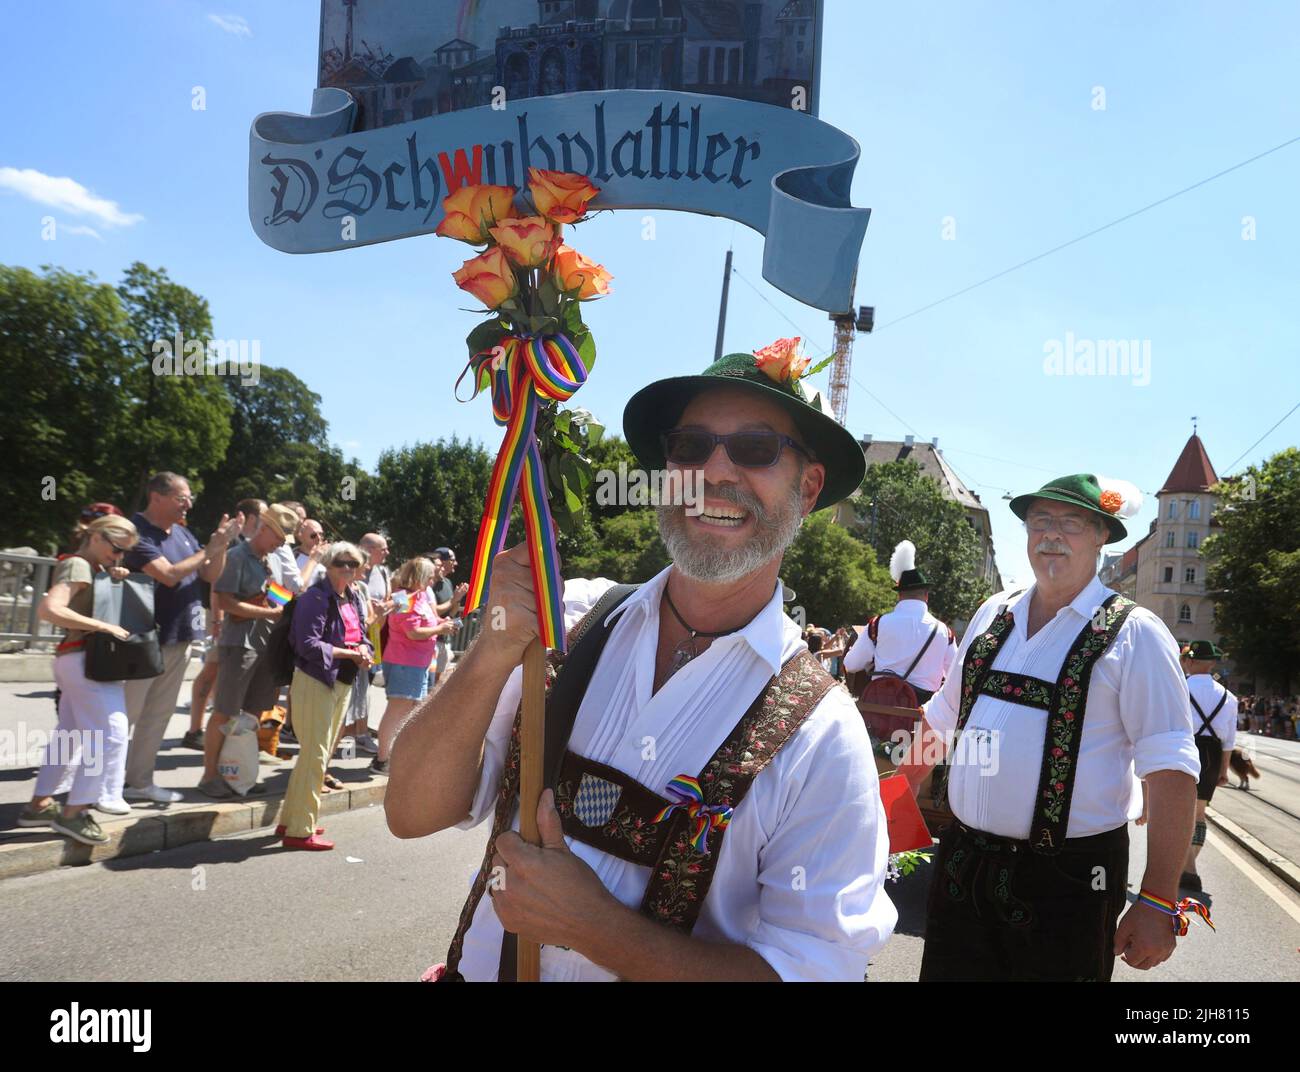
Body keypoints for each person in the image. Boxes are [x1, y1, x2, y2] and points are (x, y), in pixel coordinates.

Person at [388, 345, 897, 981]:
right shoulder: (564, 622)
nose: (715, 472)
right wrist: (492, 649)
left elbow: (809, 972)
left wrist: (595, 928)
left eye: (756, 448)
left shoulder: (825, 735)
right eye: (689, 447)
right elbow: (410, 812)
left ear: (809, 485)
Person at [899, 473, 1201, 981]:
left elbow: (1171, 769)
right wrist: (886, 815)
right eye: (1040, 521)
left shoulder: (1135, 633)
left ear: (1102, 535)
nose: (1051, 534)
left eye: (1071, 523)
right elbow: (940, 722)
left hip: (1070, 882)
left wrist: (1157, 899)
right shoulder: (994, 613)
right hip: (961, 865)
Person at [21, 515, 140, 844]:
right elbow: (49, 609)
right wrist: (104, 627)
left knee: (69, 737)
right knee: (111, 734)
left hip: (75, 659)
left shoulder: (90, 567)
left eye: (124, 553)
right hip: (85, 661)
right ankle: (75, 813)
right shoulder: (77, 565)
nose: (119, 557)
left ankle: (39, 805)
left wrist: (111, 579)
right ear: (97, 537)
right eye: (116, 548)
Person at [123, 472, 239, 804]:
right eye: (181, 498)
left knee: (157, 715)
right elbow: (169, 575)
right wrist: (210, 549)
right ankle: (93, 788)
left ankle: (139, 782)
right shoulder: (136, 531)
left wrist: (220, 548)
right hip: (142, 640)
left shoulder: (184, 534)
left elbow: (210, 574)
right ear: (155, 497)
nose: (187, 504)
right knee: (125, 717)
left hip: (179, 638)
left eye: (190, 498)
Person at [197, 505, 296, 798]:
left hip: (264, 645)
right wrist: (269, 613)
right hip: (240, 644)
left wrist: (287, 607)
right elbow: (225, 601)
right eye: (278, 536)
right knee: (225, 712)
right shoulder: (238, 556)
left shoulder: (270, 561)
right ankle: (210, 776)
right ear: (263, 528)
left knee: (252, 714)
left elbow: (276, 596)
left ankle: (240, 773)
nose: (280, 543)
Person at [281, 542, 374, 850]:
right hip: (315, 679)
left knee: (315, 754)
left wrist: (364, 651)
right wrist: (351, 653)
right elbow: (307, 644)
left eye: (353, 563)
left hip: (342, 681)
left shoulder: (354, 596)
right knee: (316, 754)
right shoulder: (315, 596)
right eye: (341, 562)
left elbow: (362, 635)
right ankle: (299, 830)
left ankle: (290, 821)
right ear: (329, 564)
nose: (348, 568)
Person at [371, 557, 457, 775]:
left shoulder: (418, 596)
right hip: (404, 663)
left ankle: (389, 756)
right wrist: (441, 630)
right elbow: (412, 632)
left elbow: (428, 621)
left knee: (405, 711)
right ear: (419, 576)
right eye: (429, 576)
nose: (433, 579)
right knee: (396, 711)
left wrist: (443, 624)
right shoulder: (403, 598)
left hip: (415, 664)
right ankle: (382, 760)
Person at [843, 540, 957, 704]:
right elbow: (955, 675)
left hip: (880, 710)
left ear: (899, 595)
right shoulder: (945, 632)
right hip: (921, 714)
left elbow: (851, 664)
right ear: (926, 595)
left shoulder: (877, 624)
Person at [1178, 640, 1237, 893]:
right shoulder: (1229, 697)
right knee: (1199, 814)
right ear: (1212, 662)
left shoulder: (1179, 687)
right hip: (1212, 754)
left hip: (1184, 749)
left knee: (1179, 813)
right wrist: (1224, 769)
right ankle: (1189, 865)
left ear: (1189, 661)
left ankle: (1187, 868)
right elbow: (1228, 739)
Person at [344, 532, 393, 755]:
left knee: (364, 687)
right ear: (368, 549)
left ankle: (360, 734)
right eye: (383, 549)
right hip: (351, 641)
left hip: (374, 638)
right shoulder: (349, 577)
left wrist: (383, 608)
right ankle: (347, 737)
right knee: (349, 688)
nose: (387, 553)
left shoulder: (383, 572)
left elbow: (391, 600)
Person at [429, 547, 468, 688]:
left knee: (437, 684)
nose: (456, 563)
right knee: (429, 683)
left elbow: (450, 613)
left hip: (444, 640)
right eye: (452, 560)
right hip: (432, 640)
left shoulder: (447, 583)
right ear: (442, 562)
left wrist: (458, 599)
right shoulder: (430, 584)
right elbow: (433, 612)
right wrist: (453, 599)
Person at [295, 518, 327, 588]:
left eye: (321, 534)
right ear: (301, 536)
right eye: (313, 535)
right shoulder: (292, 558)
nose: (319, 538)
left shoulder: (326, 561)